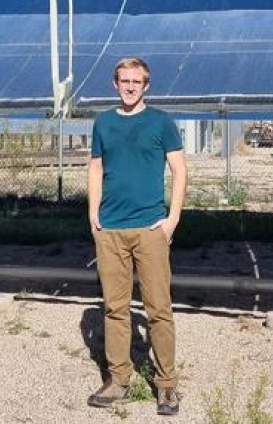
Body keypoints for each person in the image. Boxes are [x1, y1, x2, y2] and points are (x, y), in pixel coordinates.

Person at [86, 57, 187, 416]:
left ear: (147, 85)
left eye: (136, 81)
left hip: (150, 230)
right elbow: (96, 167)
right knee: (115, 308)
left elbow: (179, 169)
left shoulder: (161, 122)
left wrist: (171, 219)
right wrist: (93, 214)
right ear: (114, 84)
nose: (130, 86)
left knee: (158, 308)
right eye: (124, 80)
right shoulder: (104, 122)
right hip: (110, 229)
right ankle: (118, 380)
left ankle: (166, 385)